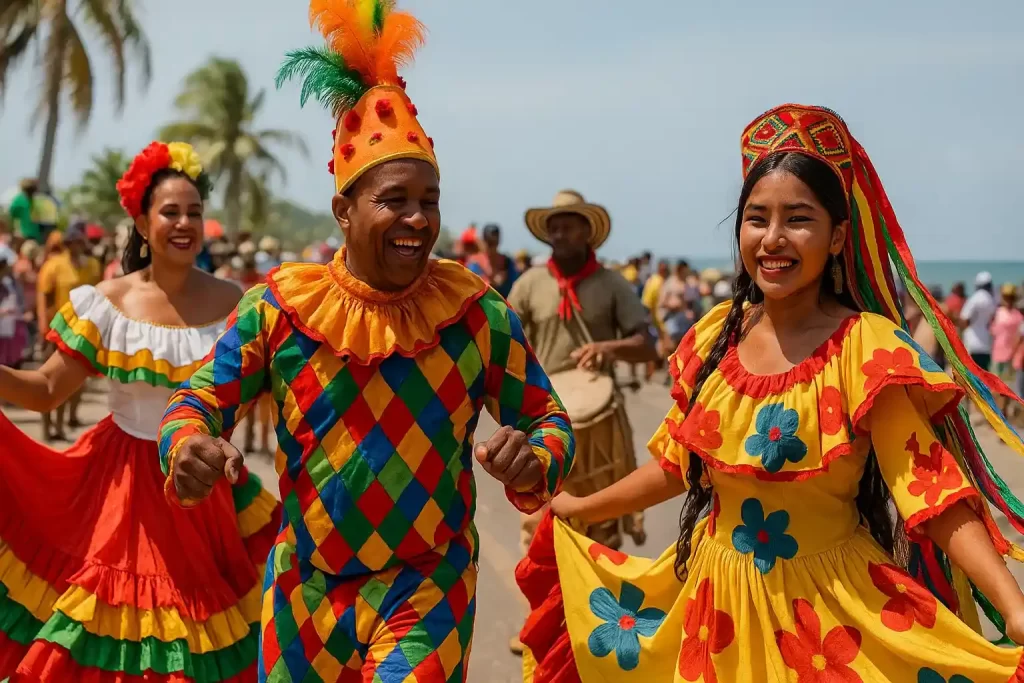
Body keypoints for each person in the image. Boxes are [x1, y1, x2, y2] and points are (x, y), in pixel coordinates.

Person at [518, 104, 1024, 681]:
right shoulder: (715, 337)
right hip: (716, 610)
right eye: (757, 218)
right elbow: (674, 465)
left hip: (830, 614)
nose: (773, 238)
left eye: (798, 219)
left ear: (837, 237)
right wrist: (579, 507)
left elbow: (931, 492)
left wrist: (1013, 608)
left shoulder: (868, 350)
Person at [159, 6, 574, 680]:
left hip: (427, 587)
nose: (418, 218)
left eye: (429, 199)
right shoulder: (278, 309)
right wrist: (186, 444)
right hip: (304, 592)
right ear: (344, 210)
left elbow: (549, 419)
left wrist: (536, 457)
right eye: (395, 199)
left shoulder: (476, 313)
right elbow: (197, 397)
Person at [0, 141, 279, 681]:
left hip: (207, 494)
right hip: (121, 491)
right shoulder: (106, 303)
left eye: (194, 212)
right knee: (112, 629)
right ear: (142, 223)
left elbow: (277, 394)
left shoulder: (240, 303)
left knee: (201, 640)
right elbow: (46, 391)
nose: (184, 223)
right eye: (170, 212)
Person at [510, 188, 657, 560]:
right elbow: (505, 340)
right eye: (553, 228)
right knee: (543, 521)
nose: (559, 234)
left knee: (601, 522)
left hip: (600, 414)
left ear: (587, 233)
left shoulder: (612, 285)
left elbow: (647, 344)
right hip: (545, 415)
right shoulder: (529, 283)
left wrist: (607, 349)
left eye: (568, 227)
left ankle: (600, 604)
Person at [35, 223, 102, 440]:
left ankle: (61, 426)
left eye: (80, 241)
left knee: (73, 383)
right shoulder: (54, 265)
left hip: (83, 332)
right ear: (67, 243)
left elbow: (100, 295)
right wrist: (44, 328)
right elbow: (44, 297)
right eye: (72, 241)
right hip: (56, 330)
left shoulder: (92, 265)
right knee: (47, 381)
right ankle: (47, 428)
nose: (76, 245)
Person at [991, 283, 1023, 414]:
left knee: (1008, 389)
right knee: (996, 388)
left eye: (1011, 297)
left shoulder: (1018, 316)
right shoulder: (998, 313)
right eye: (1006, 297)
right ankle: (999, 414)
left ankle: (1003, 415)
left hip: (1011, 356)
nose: (1008, 300)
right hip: (998, 355)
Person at [466, 223, 519, 298]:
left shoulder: (508, 263)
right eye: (489, 242)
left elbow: (516, 289)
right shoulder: (474, 263)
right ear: (483, 240)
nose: (491, 246)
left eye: (494, 242)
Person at [961, 271, 997, 371]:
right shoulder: (991, 300)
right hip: (986, 343)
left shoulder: (974, 299)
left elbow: (965, 319)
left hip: (972, 343)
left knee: (972, 375)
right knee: (984, 375)